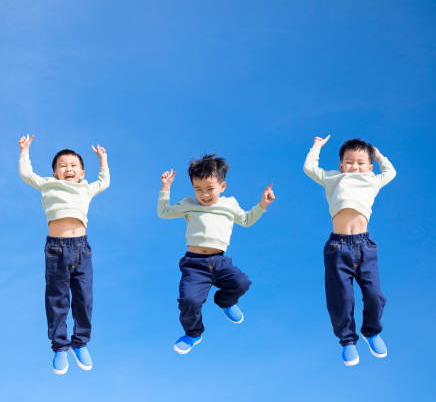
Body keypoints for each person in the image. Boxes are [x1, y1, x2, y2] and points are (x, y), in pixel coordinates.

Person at [158, 154, 275, 354]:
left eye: (210, 189)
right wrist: (166, 188)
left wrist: (262, 205)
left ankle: (225, 301)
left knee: (242, 283)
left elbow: (246, 220)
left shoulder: (229, 205)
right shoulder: (188, 204)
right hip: (194, 264)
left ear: (222, 186)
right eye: (198, 189)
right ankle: (194, 333)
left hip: (220, 262)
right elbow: (164, 212)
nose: (204, 195)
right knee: (189, 302)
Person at [18, 134, 110, 375]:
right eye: (62, 166)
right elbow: (27, 175)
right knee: (57, 298)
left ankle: (80, 343)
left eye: (73, 166)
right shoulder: (48, 185)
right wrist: (25, 150)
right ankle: (60, 346)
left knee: (84, 298)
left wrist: (103, 159)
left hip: (81, 248)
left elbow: (104, 181)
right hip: (56, 249)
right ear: (54, 173)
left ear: (81, 173)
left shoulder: (86, 188)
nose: (68, 169)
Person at [303, 135, 396, 366]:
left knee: (374, 295)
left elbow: (391, 172)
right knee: (341, 299)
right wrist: (316, 147)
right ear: (341, 165)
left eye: (361, 162)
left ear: (369, 167)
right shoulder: (334, 178)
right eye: (349, 161)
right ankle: (347, 341)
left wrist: (379, 155)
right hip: (338, 247)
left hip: (365, 246)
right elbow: (309, 168)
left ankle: (371, 331)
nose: (355, 166)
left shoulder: (372, 180)